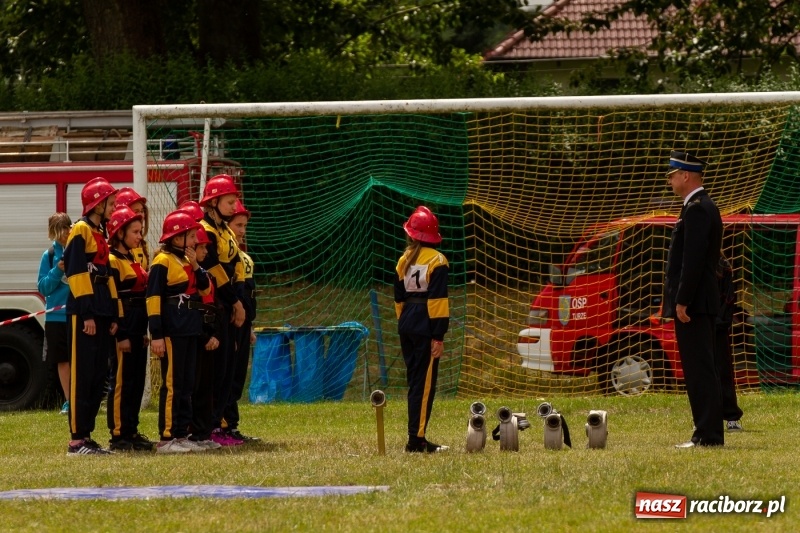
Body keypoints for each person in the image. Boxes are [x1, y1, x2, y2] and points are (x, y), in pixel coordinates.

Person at [662, 151, 725, 448]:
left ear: (686, 175)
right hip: (700, 301)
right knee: (702, 368)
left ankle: (706, 435)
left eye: (673, 174)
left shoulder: (698, 209)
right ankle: (706, 432)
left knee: (700, 370)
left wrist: (682, 300)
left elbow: (694, 260)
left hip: (696, 304)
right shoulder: (699, 206)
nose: (671, 180)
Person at [147, 210, 211, 453]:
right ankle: (167, 436)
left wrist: (196, 265)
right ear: (176, 238)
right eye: (191, 236)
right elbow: (153, 298)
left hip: (190, 329)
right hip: (173, 330)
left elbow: (205, 291)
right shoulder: (162, 262)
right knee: (173, 384)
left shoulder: (187, 262)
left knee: (187, 384)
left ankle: (182, 433)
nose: (196, 241)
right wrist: (157, 334)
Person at [63, 177, 119, 455]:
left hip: (101, 310)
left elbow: (105, 275)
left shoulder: (101, 233)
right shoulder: (81, 231)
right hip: (84, 312)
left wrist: (112, 314)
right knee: (83, 376)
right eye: (111, 202)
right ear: (97, 203)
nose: (114, 207)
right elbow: (75, 272)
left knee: (98, 377)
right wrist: (86, 313)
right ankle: (76, 440)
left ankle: (87, 436)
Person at [394, 206, 450, 453]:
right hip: (426, 322)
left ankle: (416, 437)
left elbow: (398, 299)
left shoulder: (403, 260)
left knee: (415, 382)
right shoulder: (438, 260)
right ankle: (416, 440)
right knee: (425, 384)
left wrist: (404, 323)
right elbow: (438, 300)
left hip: (407, 322)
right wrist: (438, 335)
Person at [198, 175, 247, 447]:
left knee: (228, 369)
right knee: (216, 370)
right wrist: (234, 302)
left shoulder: (227, 231)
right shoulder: (205, 230)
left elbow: (237, 267)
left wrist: (239, 302)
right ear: (214, 201)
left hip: (229, 304)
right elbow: (215, 271)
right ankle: (211, 426)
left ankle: (222, 425)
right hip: (216, 305)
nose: (234, 205)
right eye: (229, 201)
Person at [106, 205, 154, 451]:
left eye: (140, 231)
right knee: (122, 382)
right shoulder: (112, 260)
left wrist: (143, 333)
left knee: (136, 380)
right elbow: (115, 301)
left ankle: (132, 430)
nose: (139, 236)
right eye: (135, 231)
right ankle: (118, 434)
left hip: (138, 326)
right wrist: (122, 334)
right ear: (119, 233)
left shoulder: (132, 258)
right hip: (125, 327)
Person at [222, 199, 259, 442]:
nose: (242, 231)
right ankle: (223, 425)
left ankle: (232, 425)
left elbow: (247, 293)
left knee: (237, 376)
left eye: (245, 226)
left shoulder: (245, 257)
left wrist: (250, 325)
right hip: (230, 322)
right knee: (227, 373)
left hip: (244, 323)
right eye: (238, 225)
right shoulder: (226, 257)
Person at [186, 224, 222, 450]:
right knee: (193, 386)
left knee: (206, 386)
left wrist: (214, 334)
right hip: (195, 336)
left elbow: (213, 305)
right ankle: (190, 432)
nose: (206, 252)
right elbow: (193, 308)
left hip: (208, 335)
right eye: (201, 247)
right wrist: (203, 336)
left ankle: (203, 432)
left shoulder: (204, 274)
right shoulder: (185, 273)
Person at [37, 212, 72, 415]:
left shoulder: (79, 250)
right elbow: (43, 287)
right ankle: (68, 400)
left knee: (80, 358)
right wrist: (58, 271)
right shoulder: (49, 255)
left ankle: (81, 397)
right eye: (57, 234)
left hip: (77, 314)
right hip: (55, 317)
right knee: (63, 360)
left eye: (65, 231)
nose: (62, 237)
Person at [716, 252, 744, 431]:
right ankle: (703, 418)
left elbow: (729, 298)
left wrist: (720, 322)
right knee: (704, 373)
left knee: (723, 370)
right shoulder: (692, 261)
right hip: (699, 325)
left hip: (717, 326)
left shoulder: (723, 266)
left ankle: (731, 417)